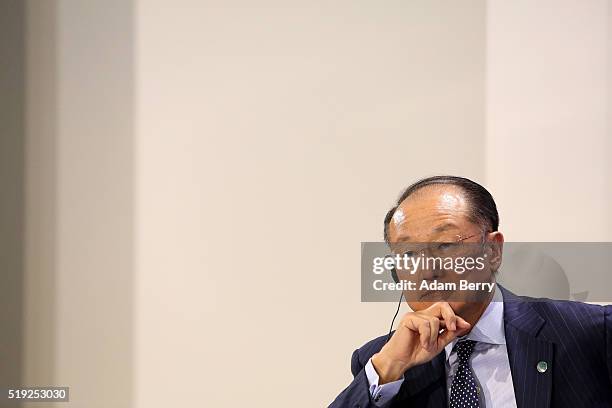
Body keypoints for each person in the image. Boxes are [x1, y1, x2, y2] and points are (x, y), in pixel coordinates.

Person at [329, 176, 612, 408]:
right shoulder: (382, 362)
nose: (427, 270)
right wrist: (388, 366)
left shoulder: (589, 332)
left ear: (493, 251)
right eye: (409, 253)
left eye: (446, 244)